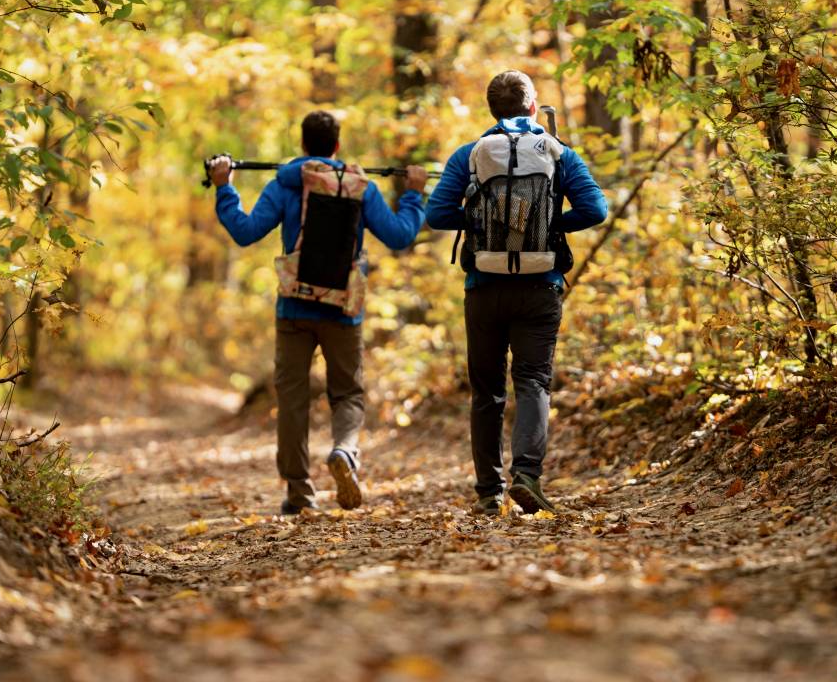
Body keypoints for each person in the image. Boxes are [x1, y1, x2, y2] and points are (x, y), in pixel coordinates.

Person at [207, 111, 428, 515]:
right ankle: (344, 451)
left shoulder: (286, 183)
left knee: (293, 400)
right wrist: (413, 193)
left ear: (304, 145)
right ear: (337, 146)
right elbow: (399, 235)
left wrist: (225, 187)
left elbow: (245, 231)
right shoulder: (361, 187)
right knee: (348, 393)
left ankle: (299, 493)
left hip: (294, 306)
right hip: (344, 308)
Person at [425, 70, 607, 515]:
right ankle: (527, 474)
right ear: (533, 107)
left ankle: (489, 492)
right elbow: (595, 209)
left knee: (487, 390)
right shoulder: (558, 152)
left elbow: (437, 214)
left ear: (492, 110)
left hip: (484, 287)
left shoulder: (470, 154)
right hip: (540, 286)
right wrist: (550, 225)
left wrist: (480, 221)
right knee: (533, 382)